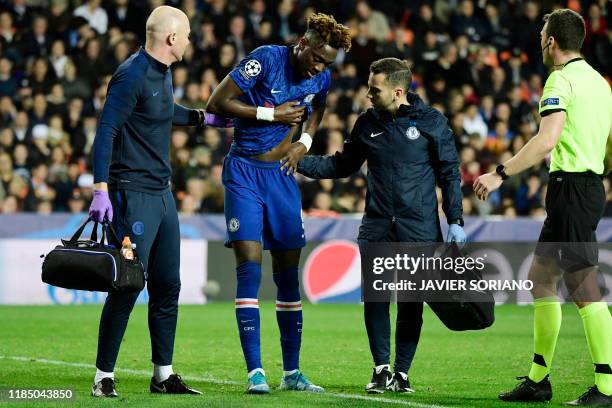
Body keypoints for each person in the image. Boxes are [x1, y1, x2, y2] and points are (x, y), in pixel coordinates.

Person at [298, 58, 465, 394]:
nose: (368, 94)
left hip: (419, 229)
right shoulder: (366, 123)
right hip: (376, 227)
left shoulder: (432, 122)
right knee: (376, 299)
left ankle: (402, 372)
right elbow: (343, 164)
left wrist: (456, 220)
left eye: (375, 89)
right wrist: (297, 161)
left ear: (398, 91)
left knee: (410, 302)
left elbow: (450, 173)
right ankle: (380, 368)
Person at [205, 13, 352, 394]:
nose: (320, 68)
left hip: (283, 178)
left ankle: (292, 373)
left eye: (328, 64)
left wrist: (304, 144)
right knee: (249, 269)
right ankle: (255, 372)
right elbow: (217, 101)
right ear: (303, 44)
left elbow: (318, 108)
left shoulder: (321, 76)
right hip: (244, 174)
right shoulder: (265, 59)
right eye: (317, 58)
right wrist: (270, 113)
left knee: (288, 276)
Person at [87, 6, 229, 398]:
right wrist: (101, 188)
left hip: (162, 195)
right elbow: (106, 131)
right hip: (133, 194)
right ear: (171, 39)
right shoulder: (132, 74)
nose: (188, 41)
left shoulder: (161, 73)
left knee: (168, 285)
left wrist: (204, 119)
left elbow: (163, 113)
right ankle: (103, 377)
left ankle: (162, 376)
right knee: (129, 285)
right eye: (185, 35)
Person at [474, 9, 612, 406]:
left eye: (542, 32)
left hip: (572, 188)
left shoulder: (561, 79)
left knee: (585, 287)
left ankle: (606, 386)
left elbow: (547, 139)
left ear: (551, 40)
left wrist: (501, 172)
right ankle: (538, 379)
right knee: (540, 276)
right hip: (585, 185)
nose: (539, 38)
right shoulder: (599, 82)